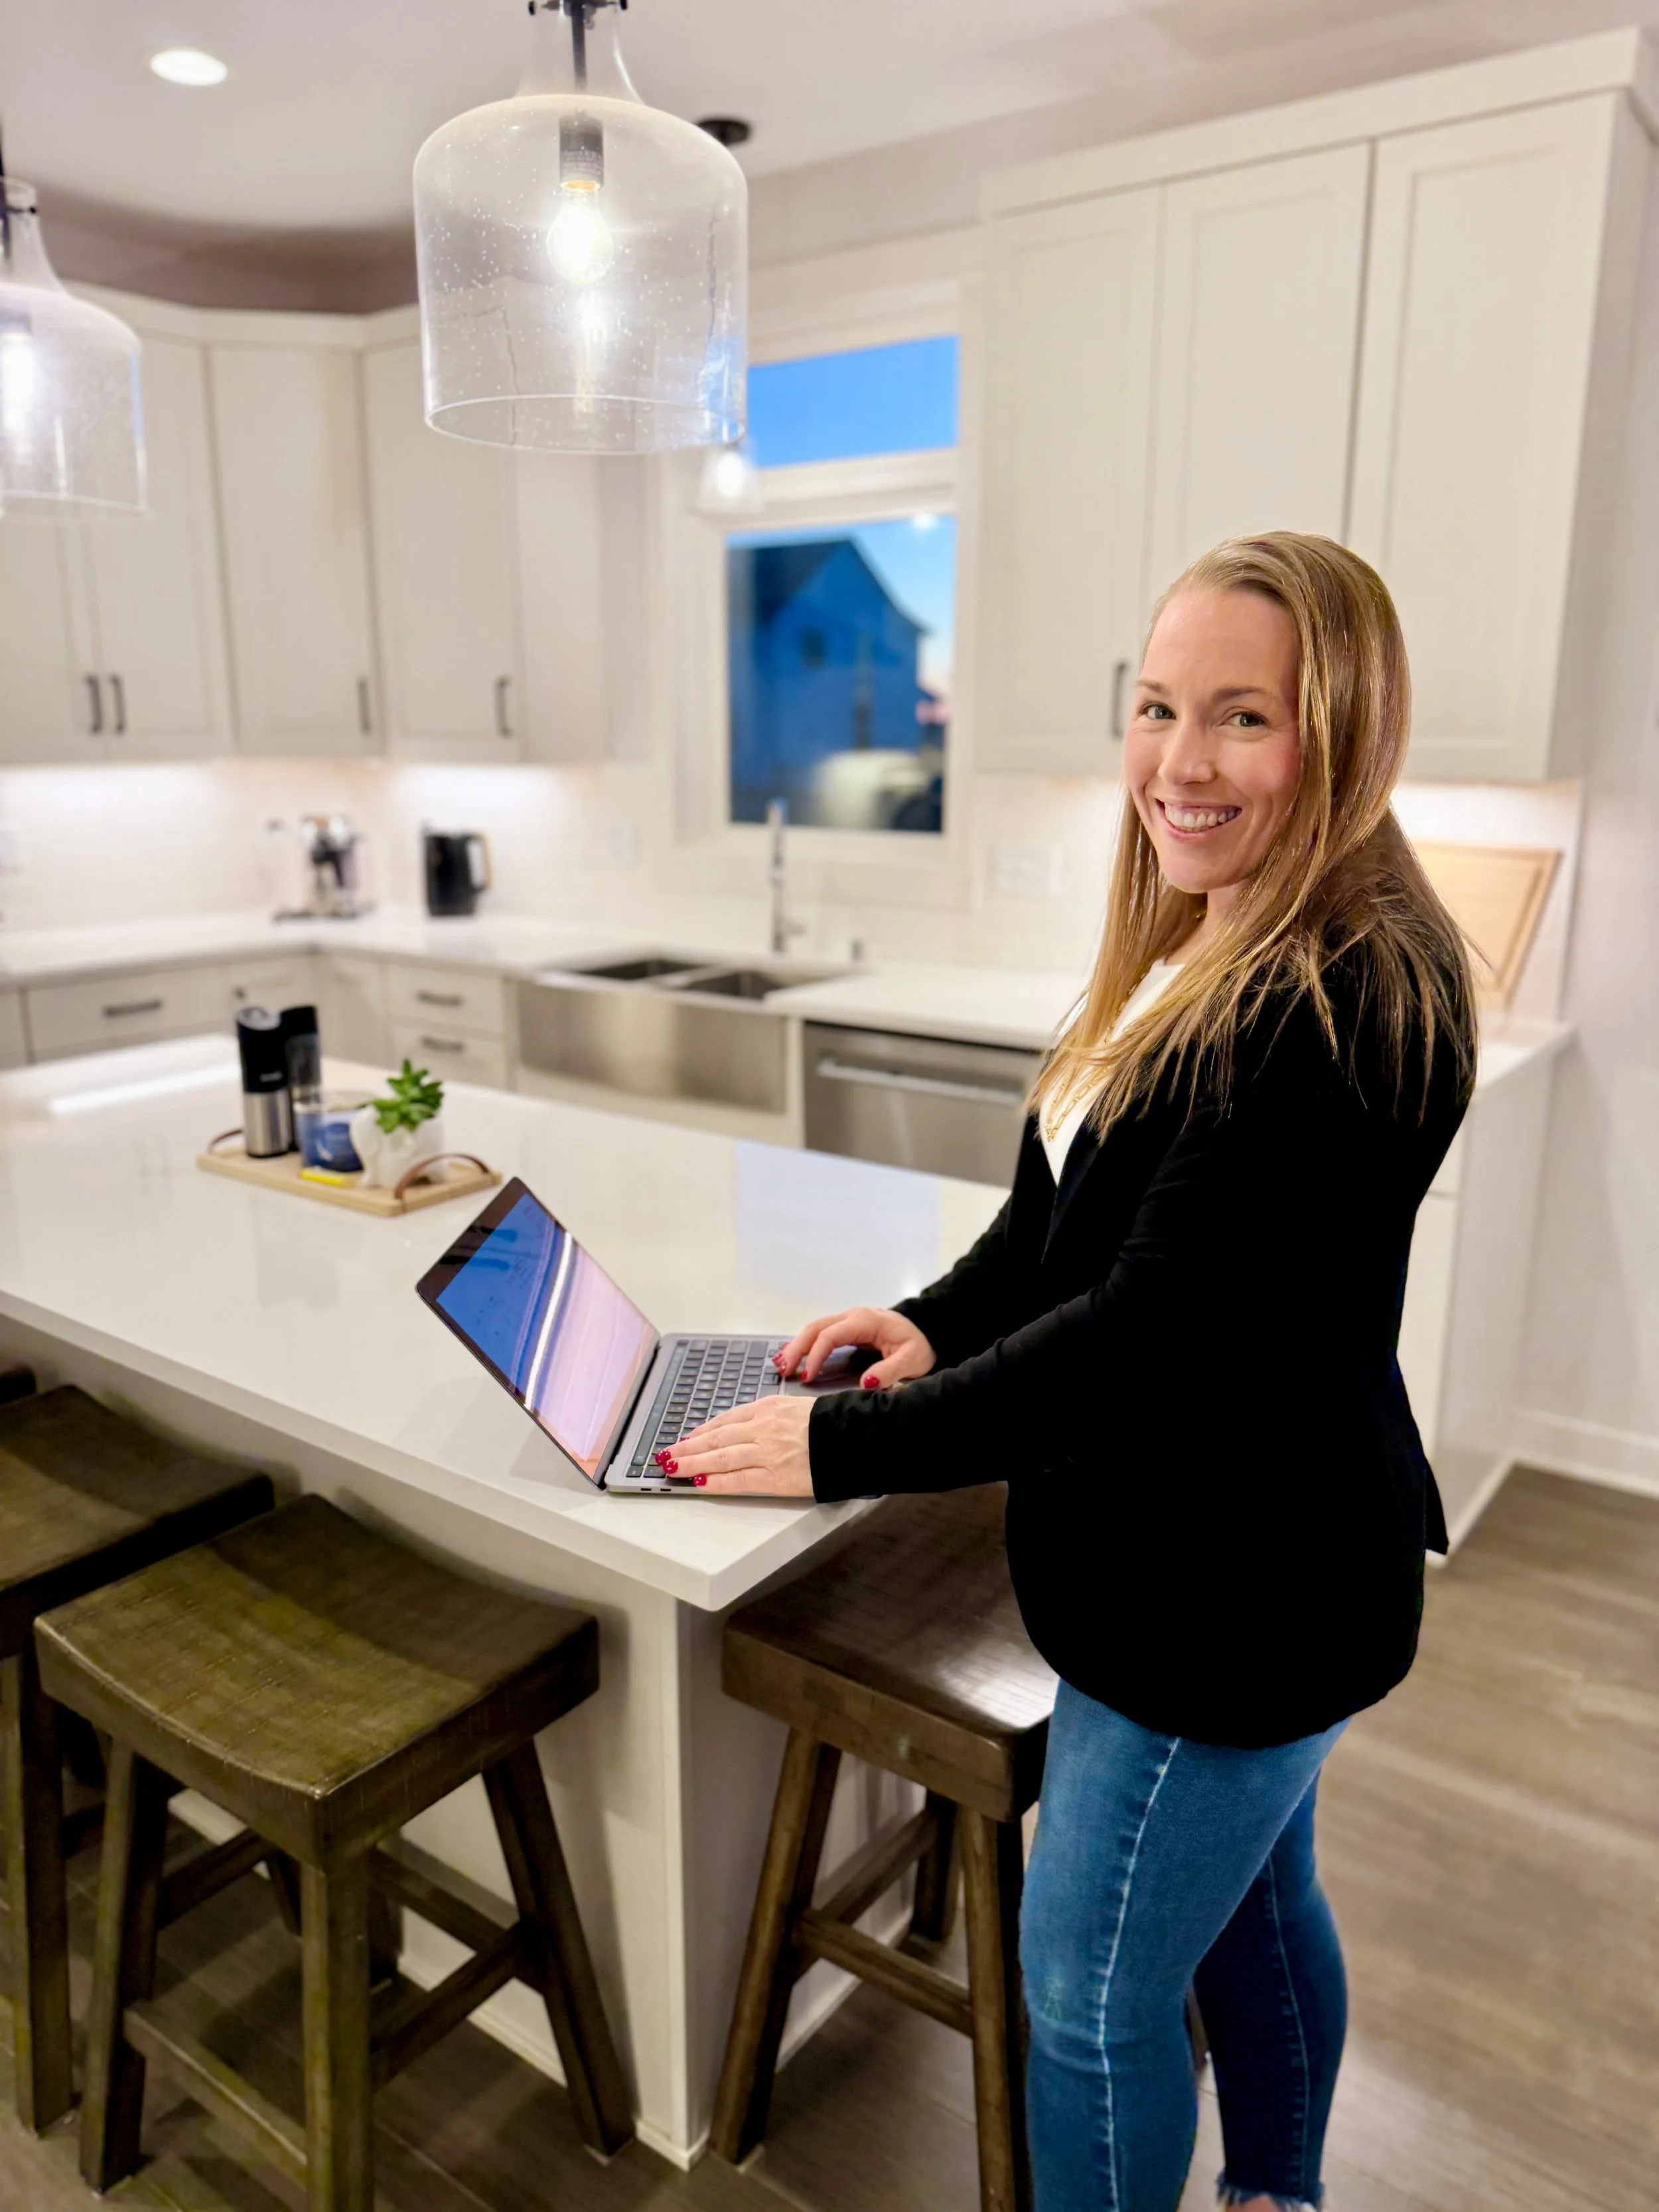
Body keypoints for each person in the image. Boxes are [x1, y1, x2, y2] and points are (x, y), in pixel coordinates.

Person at [668, 533, 1477, 2212]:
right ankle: (1280, 2193)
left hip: (1231, 1599)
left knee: (1091, 1999)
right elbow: (1060, 1229)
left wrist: (838, 1448)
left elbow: (1146, 1341)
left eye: (1242, 718)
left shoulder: (1344, 1000)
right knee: (1254, 1908)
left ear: (1346, 733)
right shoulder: (1208, 935)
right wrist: (921, 1329)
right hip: (1204, 1563)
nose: (1179, 762)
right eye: (1160, 706)